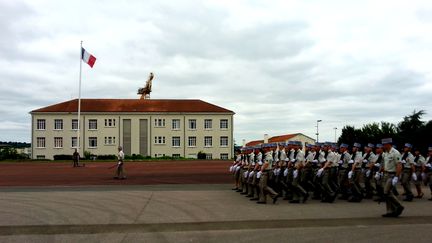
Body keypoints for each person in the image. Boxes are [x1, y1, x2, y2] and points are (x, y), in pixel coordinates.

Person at [381, 138, 404, 217]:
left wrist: (396, 177)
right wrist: (379, 172)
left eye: (384, 145)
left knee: (386, 192)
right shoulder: (386, 153)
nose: (383, 146)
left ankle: (399, 206)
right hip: (386, 174)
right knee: (387, 193)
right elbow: (384, 164)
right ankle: (390, 211)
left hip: (392, 175)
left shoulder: (395, 153)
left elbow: (399, 165)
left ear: (389, 144)